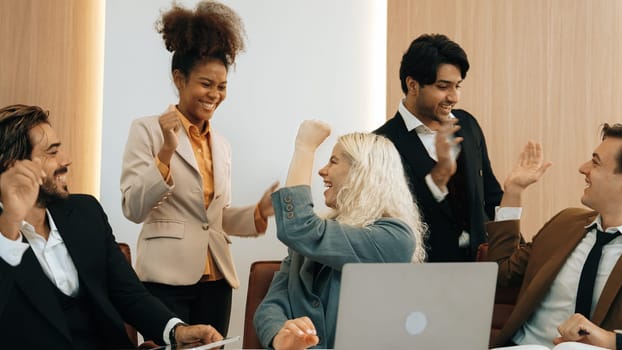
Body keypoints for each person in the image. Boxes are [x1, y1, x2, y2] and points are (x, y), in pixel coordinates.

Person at [0, 104, 223, 349]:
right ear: (15, 168)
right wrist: (10, 224)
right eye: (52, 153)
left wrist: (176, 331)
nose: (66, 159)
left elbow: (128, 294)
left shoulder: (86, 212)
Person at [120, 0, 277, 336]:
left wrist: (258, 212)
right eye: (206, 84)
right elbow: (133, 207)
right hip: (165, 280)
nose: (215, 94)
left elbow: (215, 219)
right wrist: (165, 153)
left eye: (221, 87)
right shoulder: (146, 130)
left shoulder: (221, 144)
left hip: (216, 280)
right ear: (179, 79)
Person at [253, 120, 426, 349]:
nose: (322, 170)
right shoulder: (314, 239)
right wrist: (280, 336)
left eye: (333, 161)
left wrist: (305, 148)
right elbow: (272, 305)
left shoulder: (395, 237)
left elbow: (299, 228)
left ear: (362, 172)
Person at [488, 124, 622, 349]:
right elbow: (502, 274)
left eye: (596, 162)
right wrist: (513, 192)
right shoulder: (564, 224)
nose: (583, 168)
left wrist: (613, 340)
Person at [374, 33, 503, 262]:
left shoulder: (468, 125)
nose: (453, 97)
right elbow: (391, 223)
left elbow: (490, 197)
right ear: (412, 85)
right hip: (423, 276)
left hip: (479, 271)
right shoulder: (381, 143)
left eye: (458, 86)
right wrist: (439, 175)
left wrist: (512, 253)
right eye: (443, 86)